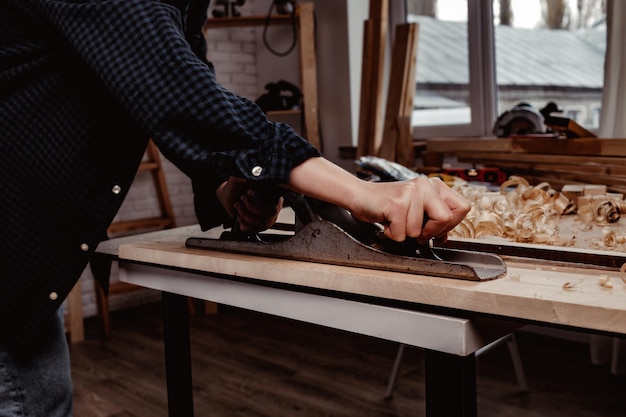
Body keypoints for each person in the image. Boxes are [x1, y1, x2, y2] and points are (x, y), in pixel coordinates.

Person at [0, 0, 471, 416]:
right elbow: (179, 93)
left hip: (25, 263)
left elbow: (191, 74)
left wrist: (231, 187)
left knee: (42, 394)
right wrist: (361, 193)